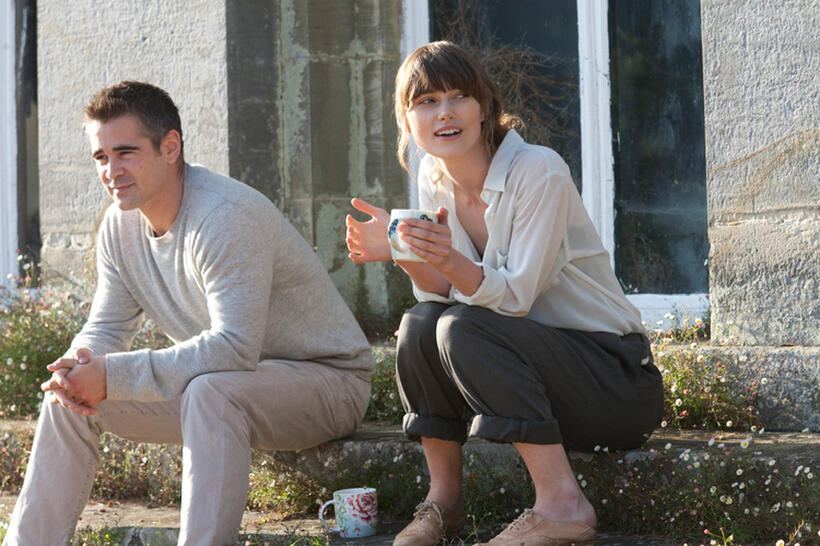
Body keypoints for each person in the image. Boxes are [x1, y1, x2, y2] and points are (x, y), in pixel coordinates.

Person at [3, 81, 374, 546]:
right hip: (232, 387)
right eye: (101, 157)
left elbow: (235, 348)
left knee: (211, 390)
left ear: (170, 147)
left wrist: (114, 375)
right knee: (68, 400)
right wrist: (79, 366)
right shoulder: (120, 225)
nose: (111, 170)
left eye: (126, 153)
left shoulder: (225, 216)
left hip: (328, 383)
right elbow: (108, 326)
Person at [345, 41, 663, 546]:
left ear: (485, 106)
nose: (444, 113)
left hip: (614, 383)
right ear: (406, 121)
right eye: (426, 102)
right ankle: (444, 503)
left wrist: (445, 256)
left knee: (461, 328)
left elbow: (513, 298)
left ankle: (563, 505)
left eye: (458, 97)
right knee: (420, 324)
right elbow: (442, 296)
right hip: (538, 380)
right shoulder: (433, 176)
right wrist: (402, 249)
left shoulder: (538, 171)